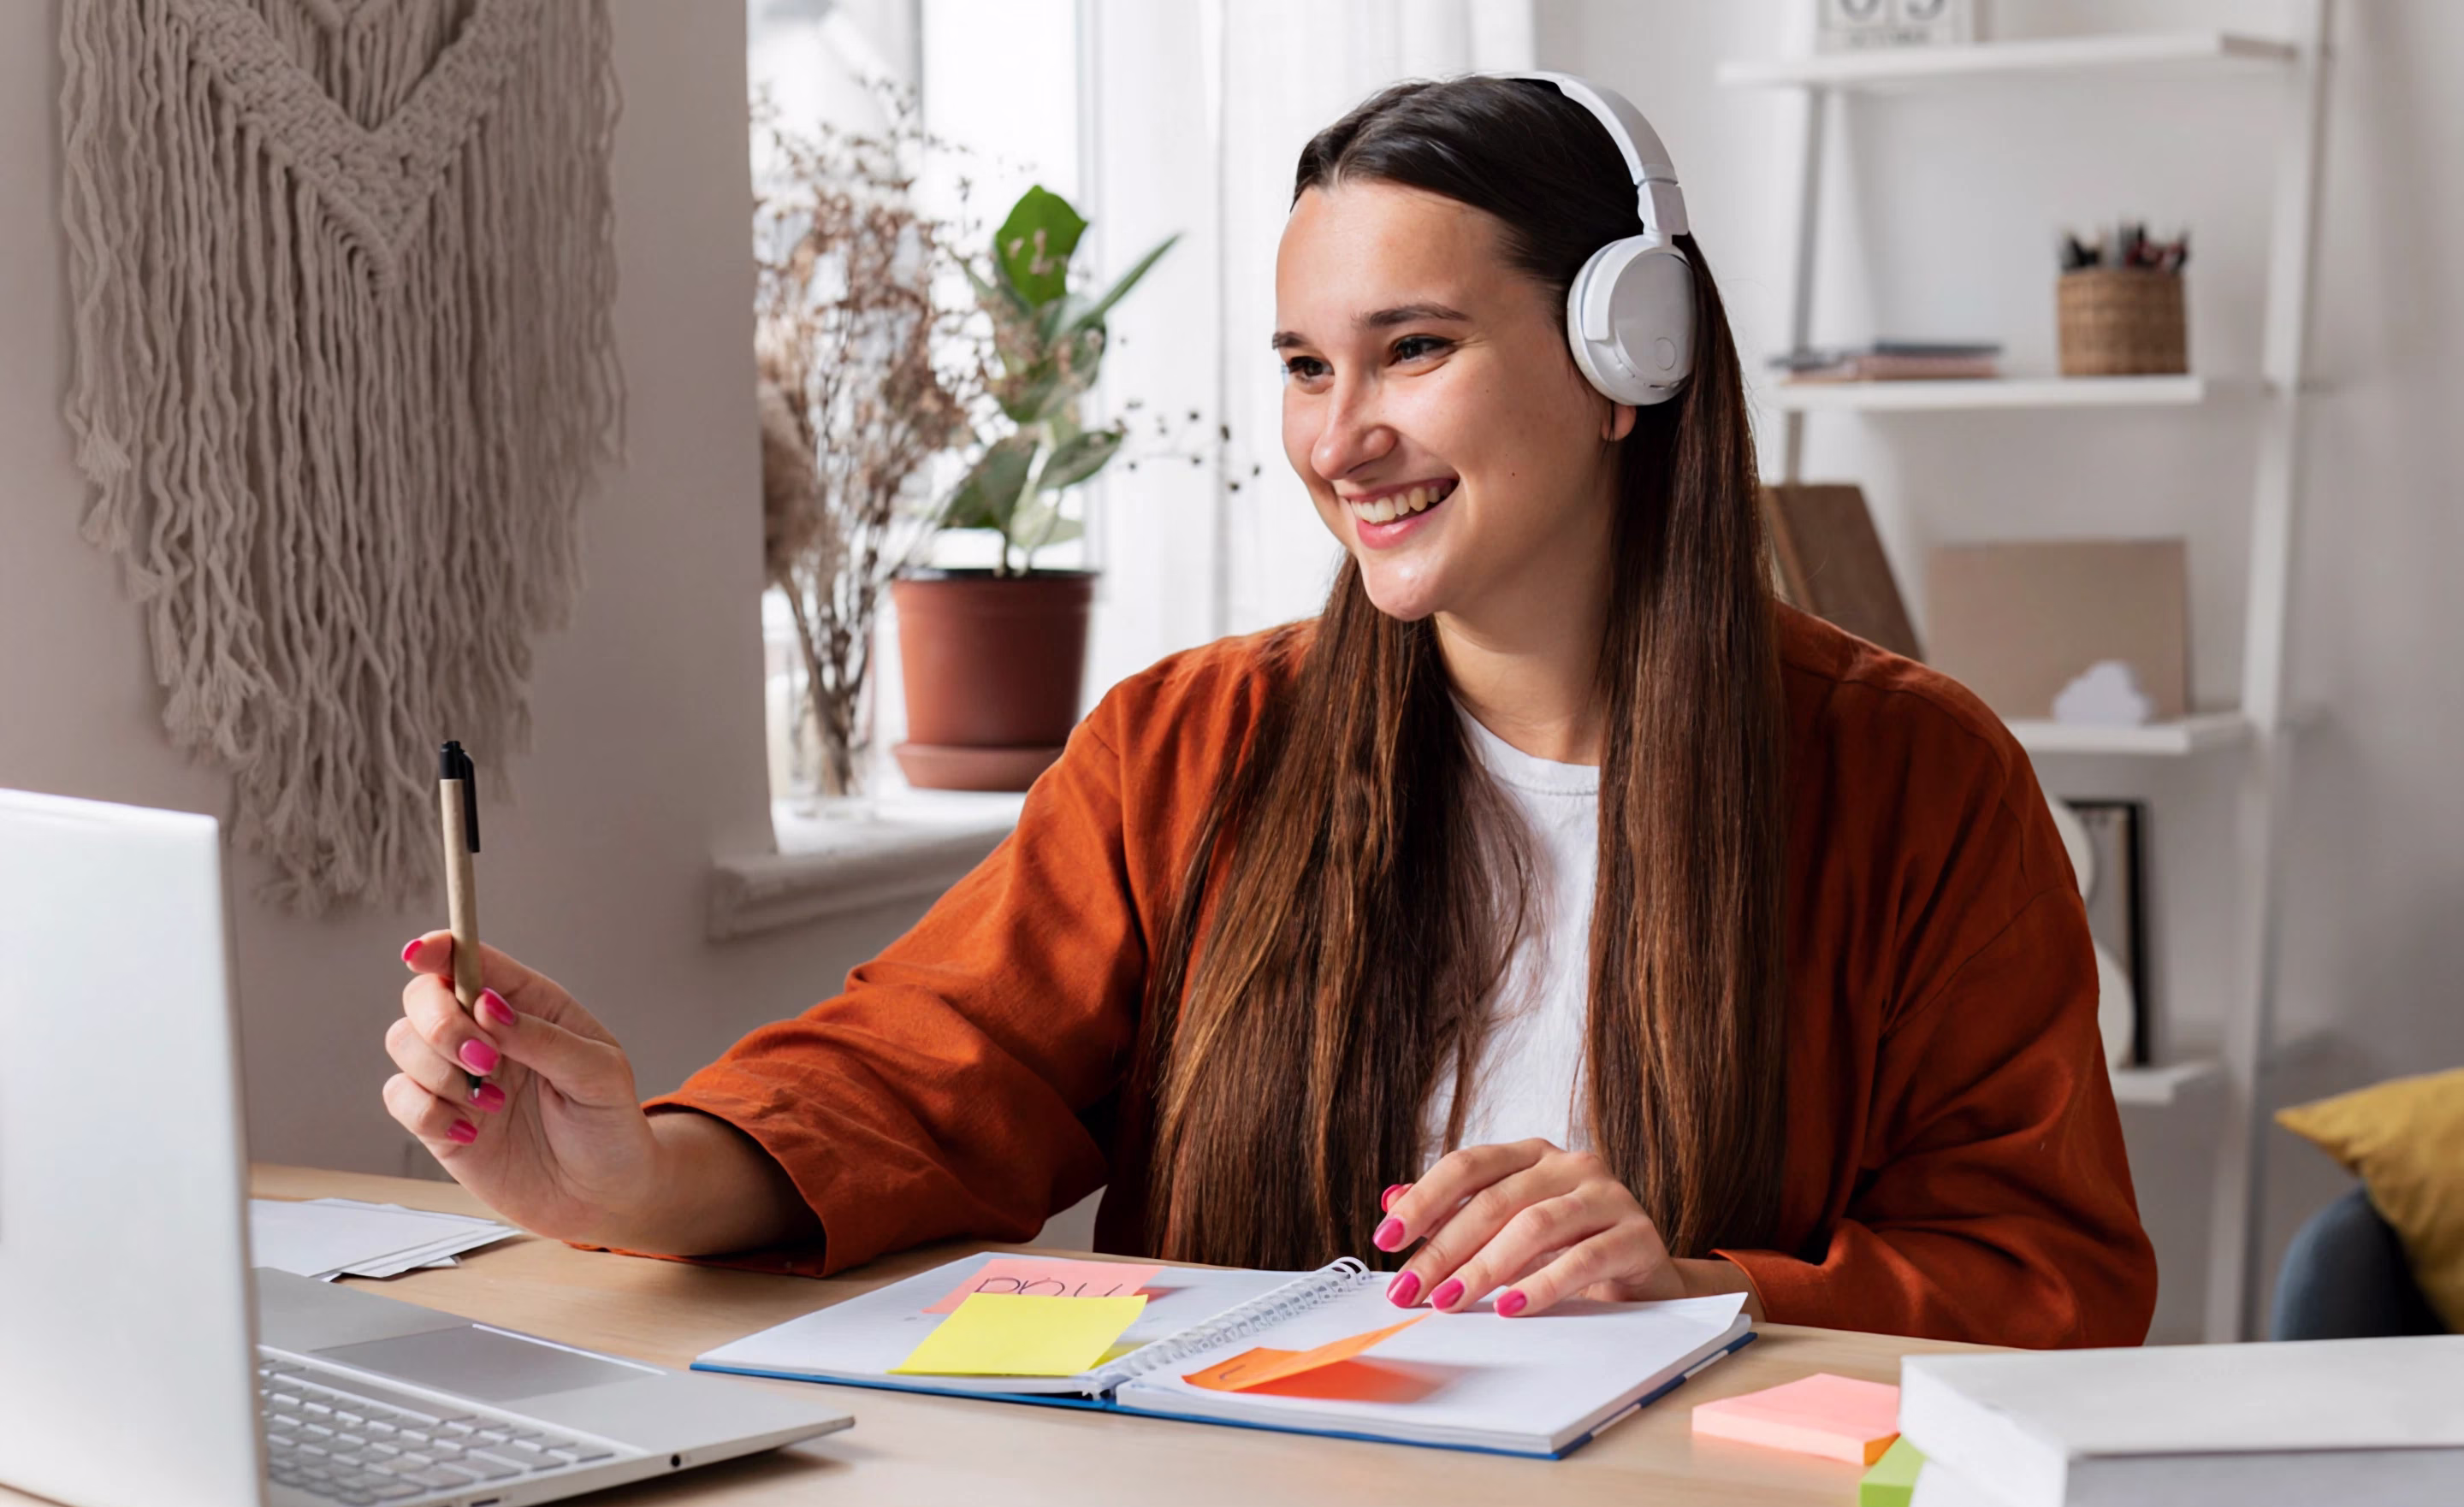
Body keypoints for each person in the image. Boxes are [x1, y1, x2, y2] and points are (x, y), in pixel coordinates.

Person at [383, 76, 2156, 1347]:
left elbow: (2047, 1276)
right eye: (1307, 366)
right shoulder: (1193, 748)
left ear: (1634, 362)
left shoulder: (1919, 779)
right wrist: (625, 1174)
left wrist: (1701, 1283)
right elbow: (928, 1077)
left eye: (1413, 351)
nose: (1337, 437)